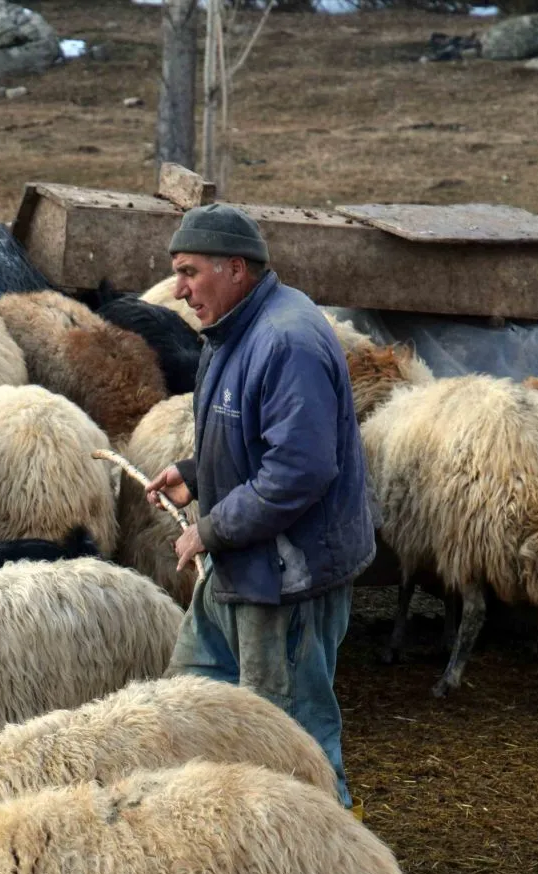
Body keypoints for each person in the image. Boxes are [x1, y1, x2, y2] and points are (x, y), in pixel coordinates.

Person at [144, 203, 375, 812]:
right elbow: (260, 440)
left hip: (286, 580)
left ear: (236, 269)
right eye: (177, 271)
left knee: (291, 740)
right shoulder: (235, 329)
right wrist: (196, 476)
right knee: (192, 706)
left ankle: (334, 873)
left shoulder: (286, 340)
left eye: (190, 271)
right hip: (241, 568)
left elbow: (299, 471)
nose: (179, 288)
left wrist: (210, 530)